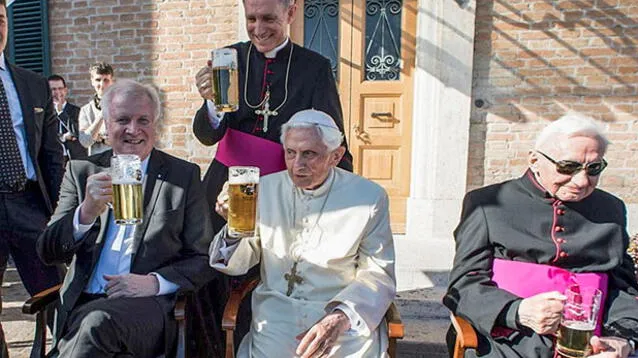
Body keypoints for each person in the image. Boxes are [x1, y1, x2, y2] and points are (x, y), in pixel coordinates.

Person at [37, 79, 215, 357]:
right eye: (122, 120)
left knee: (95, 323)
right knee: (93, 326)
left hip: (146, 307)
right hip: (83, 302)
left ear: (155, 124)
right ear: (106, 125)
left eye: (142, 120)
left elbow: (203, 258)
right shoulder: (82, 171)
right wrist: (85, 213)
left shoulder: (182, 176)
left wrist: (154, 282)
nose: (133, 130)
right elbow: (47, 251)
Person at [443, 113, 638, 358]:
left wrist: (623, 338)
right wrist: (518, 311)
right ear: (535, 160)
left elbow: (622, 287)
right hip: (510, 340)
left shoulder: (611, 208)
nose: (581, 181)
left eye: (594, 168)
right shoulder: (486, 204)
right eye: (568, 167)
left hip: (593, 343)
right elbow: (463, 286)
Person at [209, 109, 395, 357]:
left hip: (338, 314)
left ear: (336, 156)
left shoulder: (369, 197)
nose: (298, 165)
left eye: (309, 154)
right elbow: (230, 263)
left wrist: (340, 318)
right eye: (290, 153)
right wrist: (233, 227)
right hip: (276, 315)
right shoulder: (262, 189)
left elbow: (378, 273)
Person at [193, 0, 353, 232]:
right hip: (224, 186)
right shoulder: (229, 58)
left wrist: (342, 201)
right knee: (216, 260)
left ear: (290, 13)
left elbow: (334, 140)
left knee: (272, 264)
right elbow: (206, 137)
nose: (258, 29)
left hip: (285, 191)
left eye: (268, 19)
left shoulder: (315, 68)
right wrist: (211, 101)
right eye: (251, 19)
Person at [0, 0, 64, 353]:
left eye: (0, 19)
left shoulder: (33, 85)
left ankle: (62, 349)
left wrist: (59, 211)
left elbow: (52, 155)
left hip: (29, 203)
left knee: (55, 295)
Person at [49, 74, 88, 161]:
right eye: (53, 89)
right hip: (54, 160)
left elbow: (79, 133)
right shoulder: (46, 114)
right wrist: (63, 137)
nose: (57, 92)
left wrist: (61, 113)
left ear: (65, 90)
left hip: (75, 159)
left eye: (60, 88)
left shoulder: (77, 111)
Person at [78, 62, 113, 156]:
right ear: (92, 81)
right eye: (98, 80)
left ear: (112, 81)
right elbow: (85, 141)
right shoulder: (86, 110)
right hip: (97, 165)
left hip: (120, 161)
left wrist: (100, 138)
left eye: (106, 80)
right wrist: (102, 114)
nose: (102, 84)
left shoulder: (124, 106)